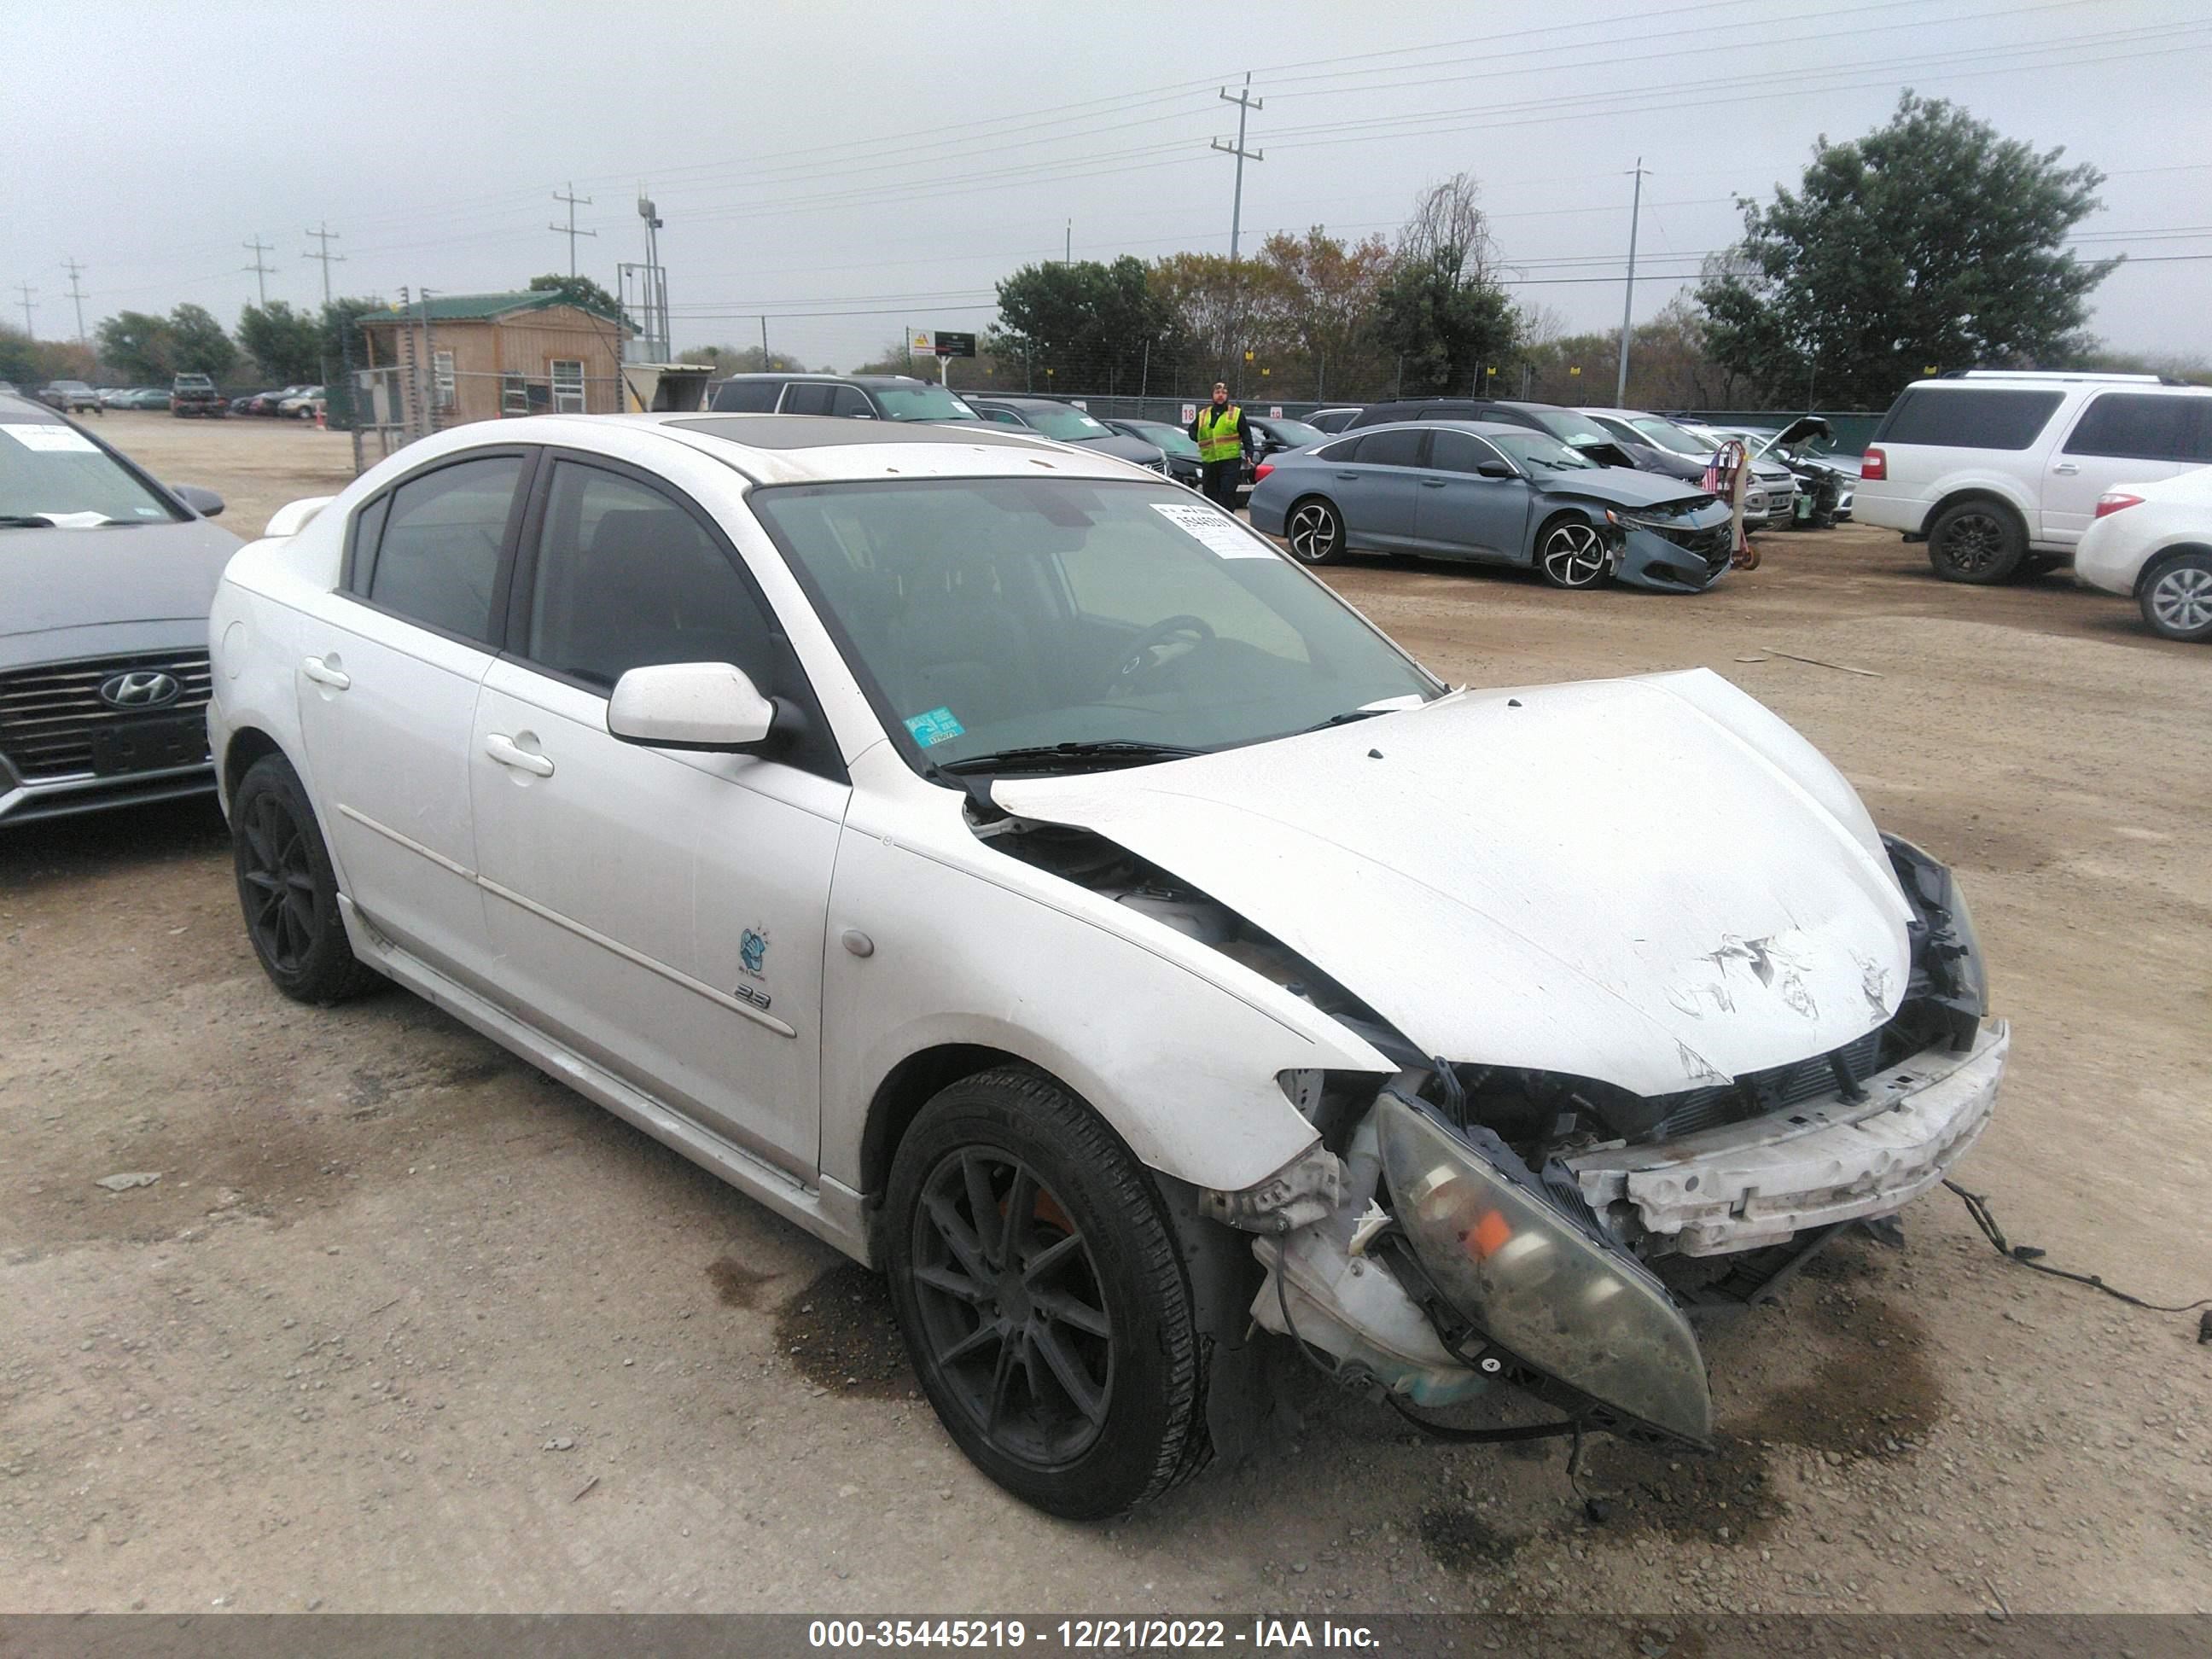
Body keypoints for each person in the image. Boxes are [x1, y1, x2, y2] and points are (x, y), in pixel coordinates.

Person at [1189, 382, 1251, 512]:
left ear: (1227, 396)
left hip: (1230, 460)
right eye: (1217, 393)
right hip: (1209, 461)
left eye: (1223, 393)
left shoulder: (1236, 413)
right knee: (1210, 494)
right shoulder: (1203, 414)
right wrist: (1199, 438)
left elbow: (1246, 434)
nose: (1220, 396)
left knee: (1227, 492)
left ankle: (1228, 521)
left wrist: (1249, 453)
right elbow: (1192, 431)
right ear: (1213, 395)